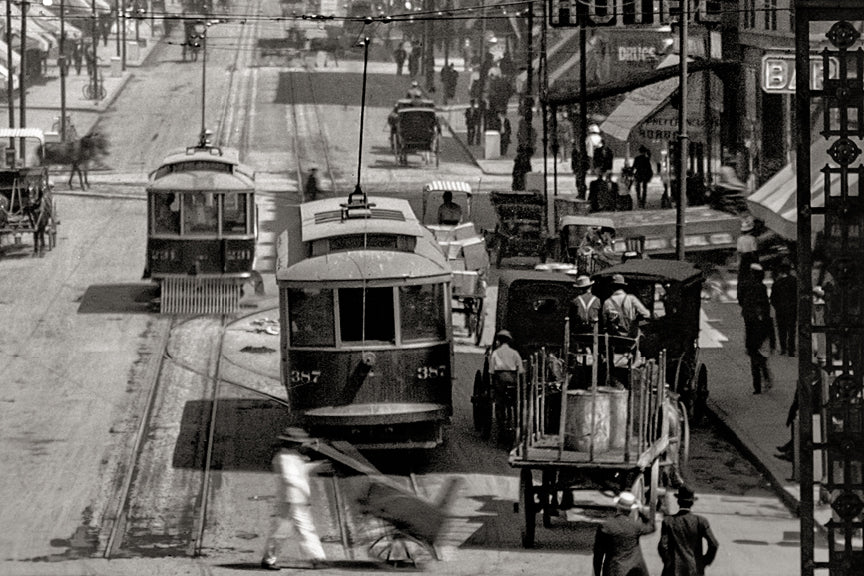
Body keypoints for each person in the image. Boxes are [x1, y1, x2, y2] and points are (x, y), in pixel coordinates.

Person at [261, 427, 329, 571]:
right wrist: (303, 488)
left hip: (297, 499)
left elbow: (301, 470)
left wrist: (316, 466)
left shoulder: (292, 456)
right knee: (284, 530)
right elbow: (289, 477)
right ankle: (316, 558)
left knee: (303, 528)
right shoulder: (283, 457)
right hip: (290, 499)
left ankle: (317, 557)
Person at [658, 486, 719, 576]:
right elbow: (713, 544)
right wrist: (704, 562)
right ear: (692, 503)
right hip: (694, 568)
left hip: (673, 569)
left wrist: (668, 562)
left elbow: (663, 546)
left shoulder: (668, 521)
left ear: (678, 502)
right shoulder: (700, 521)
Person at [593, 491, 655, 576]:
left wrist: (597, 572)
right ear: (631, 509)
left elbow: (598, 553)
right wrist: (642, 511)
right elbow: (651, 527)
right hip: (635, 570)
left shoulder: (606, 525)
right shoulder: (636, 525)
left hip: (614, 570)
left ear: (617, 506)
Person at [738, 263, 773, 394]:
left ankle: (757, 386)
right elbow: (766, 308)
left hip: (752, 325)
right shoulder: (760, 288)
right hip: (760, 326)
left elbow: (742, 301)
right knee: (760, 357)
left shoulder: (747, 286)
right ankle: (764, 379)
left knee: (755, 357)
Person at [489, 330, 524, 443]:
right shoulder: (514, 353)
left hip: (500, 380)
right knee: (514, 402)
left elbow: (491, 371)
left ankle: (501, 428)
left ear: (499, 341)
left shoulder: (495, 353)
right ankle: (516, 426)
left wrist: (492, 384)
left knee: (500, 404)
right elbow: (521, 370)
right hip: (513, 379)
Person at [602, 273, 650, 339]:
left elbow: (605, 322)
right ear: (623, 286)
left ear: (611, 287)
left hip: (615, 337)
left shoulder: (607, 302)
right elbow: (647, 314)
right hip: (630, 337)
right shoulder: (631, 299)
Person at [770, 260, 797, 356]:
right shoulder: (795, 281)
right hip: (792, 309)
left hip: (781, 310)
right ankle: (791, 349)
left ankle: (783, 348)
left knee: (782, 330)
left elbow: (773, 298)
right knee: (792, 330)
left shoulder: (777, 283)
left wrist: (777, 306)